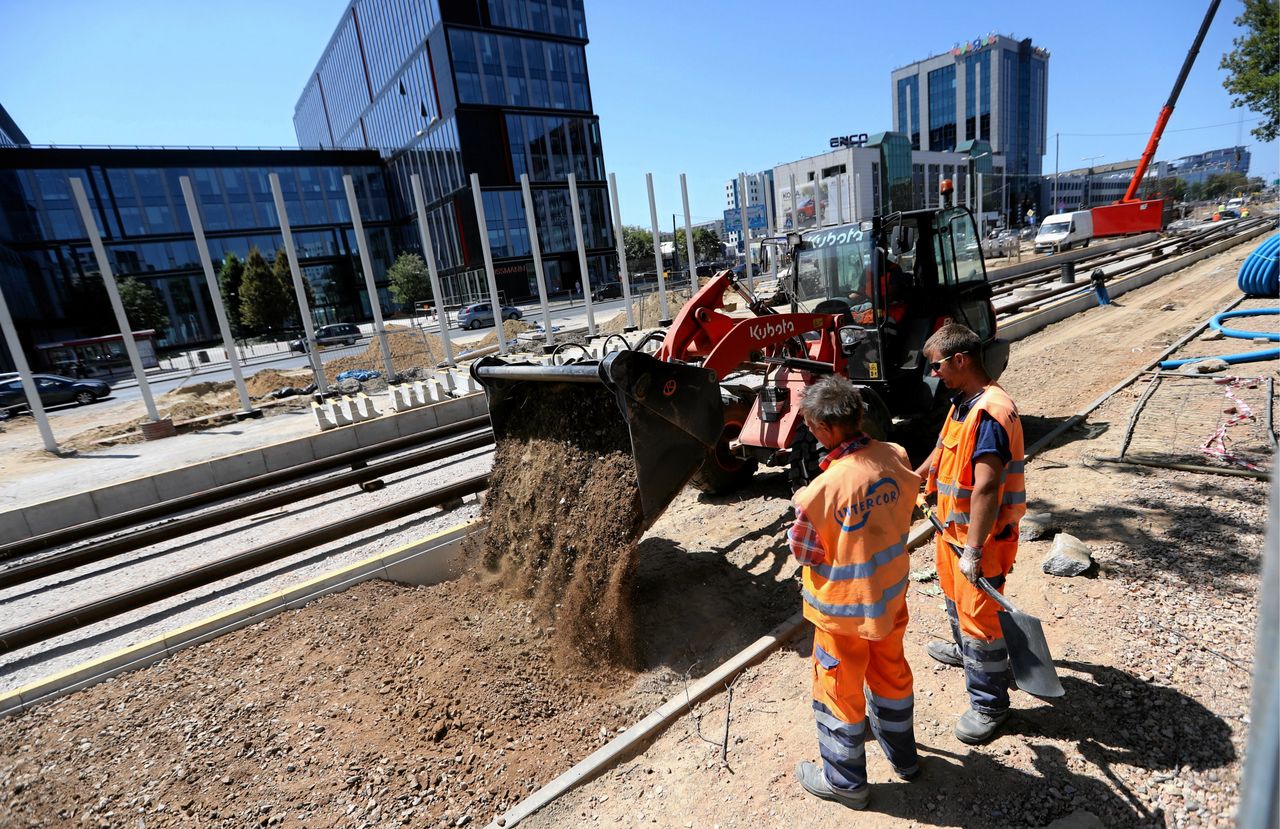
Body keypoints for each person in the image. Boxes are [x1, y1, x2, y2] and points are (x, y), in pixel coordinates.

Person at [789, 375, 922, 810]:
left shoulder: (820, 492)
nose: (809, 432)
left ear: (825, 430)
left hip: (842, 614)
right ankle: (903, 758)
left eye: (809, 425)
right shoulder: (897, 456)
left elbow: (805, 553)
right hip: (888, 600)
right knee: (892, 675)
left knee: (838, 693)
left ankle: (846, 784)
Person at [913, 323, 1026, 744]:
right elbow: (942, 450)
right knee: (953, 599)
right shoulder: (963, 403)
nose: (933, 374)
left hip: (981, 540)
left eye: (937, 366)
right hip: (952, 533)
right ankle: (967, 656)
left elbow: (987, 487)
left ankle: (990, 705)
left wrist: (975, 551)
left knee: (980, 620)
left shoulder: (990, 414)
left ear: (960, 360)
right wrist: (914, 478)